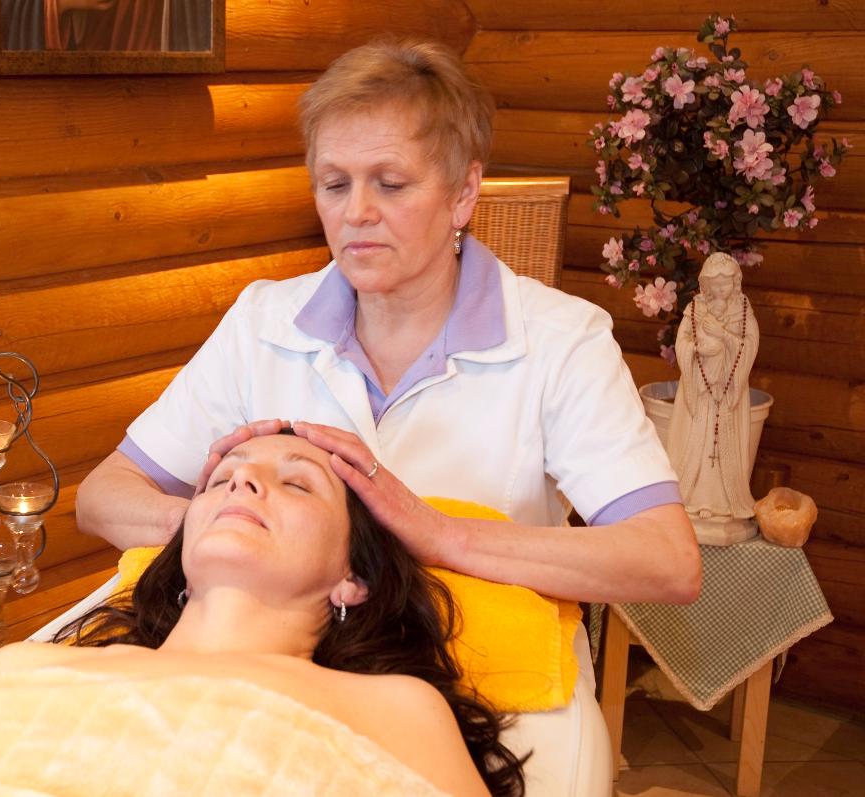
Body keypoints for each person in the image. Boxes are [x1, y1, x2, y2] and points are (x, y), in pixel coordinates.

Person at [75, 38, 702, 795]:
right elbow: (102, 496)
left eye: (391, 183)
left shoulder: (561, 341)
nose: (357, 213)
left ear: (463, 193)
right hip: (262, 676)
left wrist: (438, 535)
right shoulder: (264, 321)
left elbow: (667, 560)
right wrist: (242, 529)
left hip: (470, 691)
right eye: (334, 184)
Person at [0, 433, 522, 797]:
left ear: (354, 578)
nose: (242, 480)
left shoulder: (395, 707)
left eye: (296, 483)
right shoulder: (23, 665)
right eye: (221, 478)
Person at [667, 253, 760, 525]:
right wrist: (699, 350)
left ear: (736, 282)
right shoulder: (695, 308)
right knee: (695, 439)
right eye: (715, 285)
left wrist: (724, 337)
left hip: (727, 389)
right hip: (700, 386)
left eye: (726, 284)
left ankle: (723, 502)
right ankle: (692, 498)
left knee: (723, 449)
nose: (721, 290)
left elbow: (750, 345)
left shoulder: (743, 310)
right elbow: (682, 342)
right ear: (705, 285)